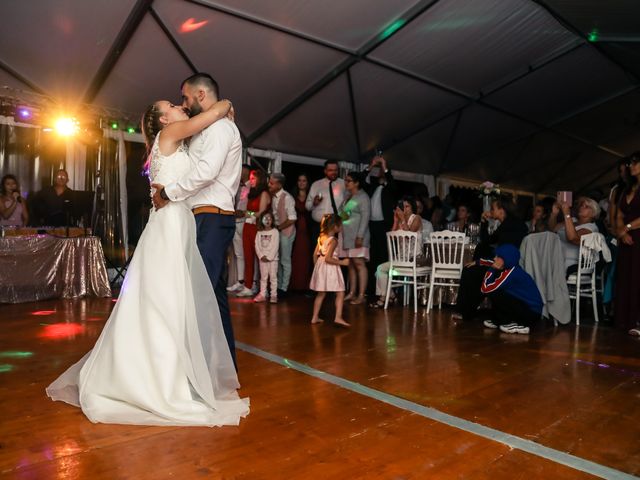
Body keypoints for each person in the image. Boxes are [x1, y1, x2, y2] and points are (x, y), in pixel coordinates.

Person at [47, 97, 249, 426]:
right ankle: (159, 381)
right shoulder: (170, 134)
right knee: (167, 301)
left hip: (174, 223)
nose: (180, 105)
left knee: (164, 301)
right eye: (172, 104)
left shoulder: (173, 140)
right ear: (163, 119)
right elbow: (215, 110)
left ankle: (161, 372)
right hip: (170, 226)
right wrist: (224, 102)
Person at [151, 73, 243, 368]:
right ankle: (223, 367)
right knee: (212, 296)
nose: (184, 104)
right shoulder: (205, 129)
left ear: (200, 95)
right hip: (202, 218)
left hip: (213, 217)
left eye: (186, 98)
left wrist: (168, 192)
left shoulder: (220, 130)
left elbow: (206, 173)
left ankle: (198, 372)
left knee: (199, 296)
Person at [455, 196, 528, 322]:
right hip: (506, 262)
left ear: (502, 210)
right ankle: (469, 309)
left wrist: (480, 262)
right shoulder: (509, 223)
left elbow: (503, 252)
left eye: (493, 209)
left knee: (468, 271)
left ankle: (465, 311)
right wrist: (483, 222)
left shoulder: (509, 225)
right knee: (474, 265)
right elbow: (488, 241)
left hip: (505, 266)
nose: (491, 211)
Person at [370, 196, 424, 308]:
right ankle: (390, 295)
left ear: (412, 207)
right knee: (379, 270)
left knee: (380, 271)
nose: (404, 209)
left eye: (407, 206)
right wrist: (396, 220)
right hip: (400, 260)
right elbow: (392, 237)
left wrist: (403, 220)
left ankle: (385, 298)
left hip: (413, 259)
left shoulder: (416, 218)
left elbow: (409, 235)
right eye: (402, 207)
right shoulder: (400, 221)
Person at [481, 244, 543, 335]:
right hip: (527, 308)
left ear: (507, 259)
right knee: (499, 292)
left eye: (498, 257)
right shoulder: (512, 268)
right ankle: (500, 320)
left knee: (495, 292)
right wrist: (480, 262)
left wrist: (492, 269)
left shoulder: (512, 272)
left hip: (531, 313)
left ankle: (520, 324)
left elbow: (485, 289)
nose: (494, 258)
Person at [362, 155, 397, 294]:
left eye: (383, 170)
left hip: (384, 226)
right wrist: (371, 166)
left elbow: (393, 185)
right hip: (371, 226)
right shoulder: (372, 187)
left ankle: (383, 292)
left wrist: (384, 164)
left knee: (383, 259)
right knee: (372, 258)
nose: (380, 172)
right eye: (380, 170)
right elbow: (360, 180)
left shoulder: (390, 189)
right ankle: (372, 290)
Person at [614, 152, 640, 336]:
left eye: (635, 163)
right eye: (631, 163)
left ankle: (637, 321)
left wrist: (627, 228)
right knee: (625, 277)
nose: (631, 166)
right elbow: (618, 215)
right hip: (626, 239)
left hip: (638, 236)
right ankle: (624, 320)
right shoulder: (626, 189)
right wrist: (622, 230)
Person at [309, 214, 350, 327]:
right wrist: (343, 263)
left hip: (321, 266)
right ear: (335, 227)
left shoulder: (321, 238)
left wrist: (317, 269)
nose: (341, 227)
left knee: (321, 293)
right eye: (340, 225)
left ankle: (314, 317)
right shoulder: (334, 240)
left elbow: (314, 255)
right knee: (340, 292)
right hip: (331, 268)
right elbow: (328, 258)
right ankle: (338, 317)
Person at [235, 169, 270, 297]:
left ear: (260, 179)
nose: (251, 181)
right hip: (247, 226)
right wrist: (247, 213)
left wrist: (246, 213)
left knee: (260, 258)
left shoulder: (264, 194)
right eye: (250, 178)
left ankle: (261, 288)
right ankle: (248, 286)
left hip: (257, 228)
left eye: (254, 178)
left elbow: (260, 212)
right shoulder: (251, 193)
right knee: (248, 257)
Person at [340, 171, 370, 305]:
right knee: (351, 265)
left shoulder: (363, 197)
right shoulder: (348, 196)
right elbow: (344, 216)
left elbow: (365, 217)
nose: (346, 183)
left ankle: (362, 294)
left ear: (357, 183)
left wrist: (360, 236)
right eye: (346, 180)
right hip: (348, 235)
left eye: (349, 180)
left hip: (358, 236)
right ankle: (352, 292)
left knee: (359, 264)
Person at [549, 197, 600, 273]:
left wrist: (567, 214)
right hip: (557, 256)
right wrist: (554, 214)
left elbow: (572, 238)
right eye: (581, 205)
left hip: (572, 262)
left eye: (586, 207)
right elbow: (553, 229)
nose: (581, 207)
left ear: (593, 213)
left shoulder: (591, 228)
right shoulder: (573, 220)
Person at [268, 172, 297, 297]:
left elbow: (292, 218)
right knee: (277, 260)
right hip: (278, 231)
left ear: (279, 184)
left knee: (285, 260)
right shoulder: (273, 197)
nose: (269, 185)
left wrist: (278, 227)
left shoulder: (287, 198)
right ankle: (278, 286)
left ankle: (284, 288)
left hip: (286, 231)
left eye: (272, 183)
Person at [306, 159, 346, 244]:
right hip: (319, 227)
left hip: (336, 228)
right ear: (325, 171)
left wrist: (342, 220)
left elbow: (348, 204)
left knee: (335, 254)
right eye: (330, 170)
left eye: (336, 170)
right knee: (318, 253)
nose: (333, 172)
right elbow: (307, 206)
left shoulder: (344, 184)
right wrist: (314, 203)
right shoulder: (316, 185)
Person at [227, 164, 251, 293]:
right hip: (234, 220)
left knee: (246, 253)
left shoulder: (251, 187)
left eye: (243, 171)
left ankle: (249, 282)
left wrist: (246, 212)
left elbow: (254, 208)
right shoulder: (236, 185)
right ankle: (240, 281)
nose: (241, 173)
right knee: (238, 253)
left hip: (245, 221)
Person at [290, 174, 313, 291]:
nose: (302, 183)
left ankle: (305, 285)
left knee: (307, 258)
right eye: (299, 180)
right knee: (295, 257)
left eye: (304, 180)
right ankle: (295, 285)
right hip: (295, 230)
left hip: (308, 231)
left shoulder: (312, 197)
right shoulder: (292, 197)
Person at [254, 211, 279, 304]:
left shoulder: (275, 232)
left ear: (272, 220)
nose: (267, 220)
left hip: (273, 260)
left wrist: (269, 257)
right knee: (263, 277)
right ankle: (262, 294)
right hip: (262, 259)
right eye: (265, 218)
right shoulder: (259, 232)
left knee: (273, 277)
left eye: (269, 218)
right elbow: (256, 245)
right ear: (262, 220)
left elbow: (275, 246)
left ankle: (273, 295)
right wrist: (261, 256)